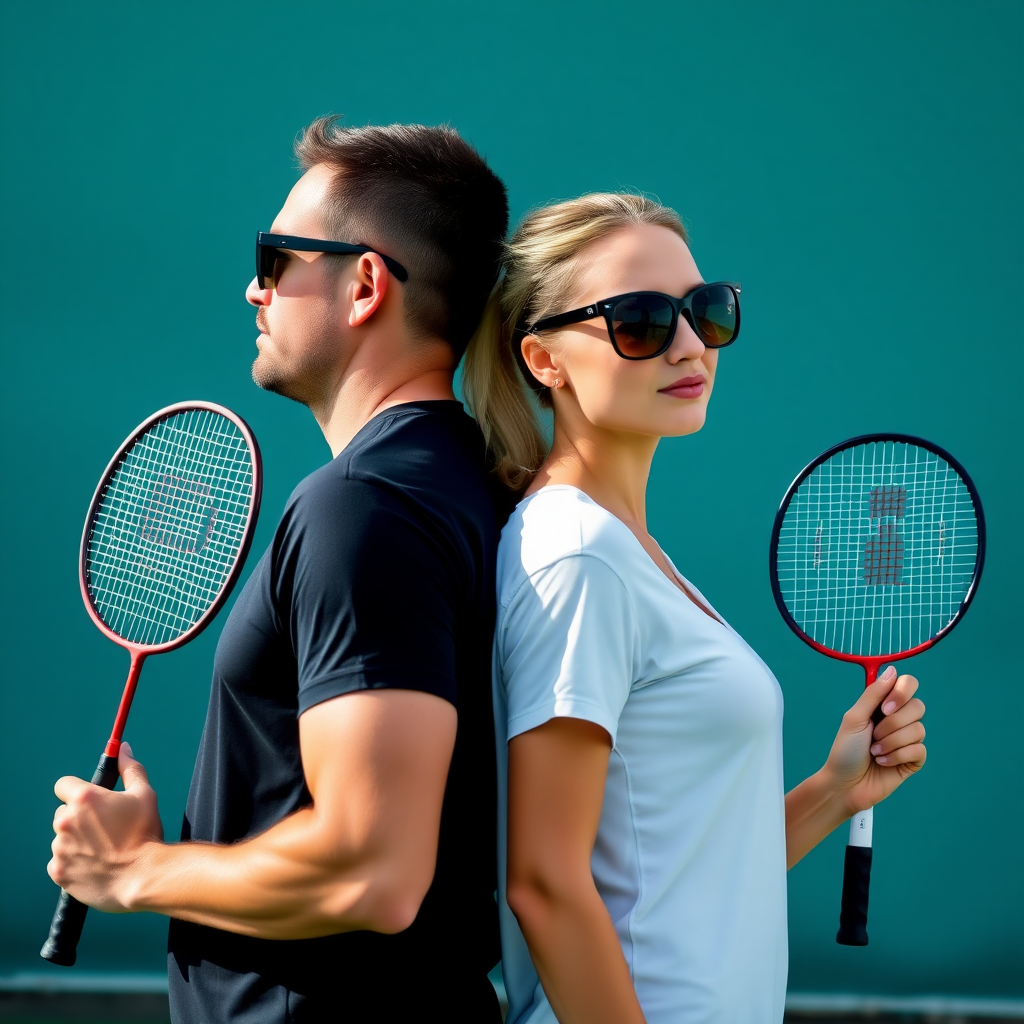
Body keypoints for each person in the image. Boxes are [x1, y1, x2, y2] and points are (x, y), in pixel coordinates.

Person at [48, 117, 509, 1022]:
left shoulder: (366, 508)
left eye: (274, 260)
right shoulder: (470, 486)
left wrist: (135, 872)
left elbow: (371, 872)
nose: (252, 290)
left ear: (365, 284)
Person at [462, 193, 928, 1024]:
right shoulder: (581, 557)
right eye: (640, 322)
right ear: (544, 361)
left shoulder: (625, 550)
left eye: (705, 311)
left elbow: (686, 878)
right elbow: (544, 884)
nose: (689, 345)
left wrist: (834, 789)